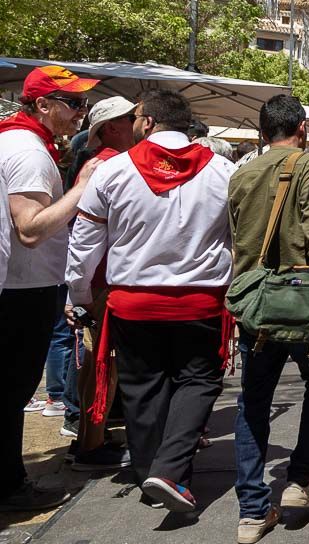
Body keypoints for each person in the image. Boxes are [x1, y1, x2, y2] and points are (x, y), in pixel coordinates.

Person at [67, 89, 237, 514]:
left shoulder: (112, 171)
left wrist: (80, 294)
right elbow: (240, 239)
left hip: (133, 303)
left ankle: (152, 475)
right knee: (196, 383)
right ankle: (170, 470)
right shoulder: (223, 171)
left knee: (144, 389)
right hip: (201, 301)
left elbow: (84, 242)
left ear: (146, 122)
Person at [226, 95, 309, 543]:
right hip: (305, 301)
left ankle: (253, 511)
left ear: (262, 133)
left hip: (257, 303)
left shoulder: (241, 171)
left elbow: (238, 239)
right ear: (303, 129)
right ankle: (299, 480)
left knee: (253, 402)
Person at [0, 66, 100, 511]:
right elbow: (31, 229)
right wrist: (81, 187)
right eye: (74, 103)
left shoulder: (17, 141)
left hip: (22, 284)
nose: (82, 112)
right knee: (13, 389)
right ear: (42, 105)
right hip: (23, 288)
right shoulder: (28, 152)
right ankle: (9, 485)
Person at [65, 96, 138, 470]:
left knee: (99, 361)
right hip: (103, 280)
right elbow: (86, 232)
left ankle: (88, 439)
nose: (137, 123)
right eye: (130, 118)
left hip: (99, 278)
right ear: (111, 127)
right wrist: (80, 291)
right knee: (103, 363)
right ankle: (91, 446)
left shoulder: (101, 163)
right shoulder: (109, 165)